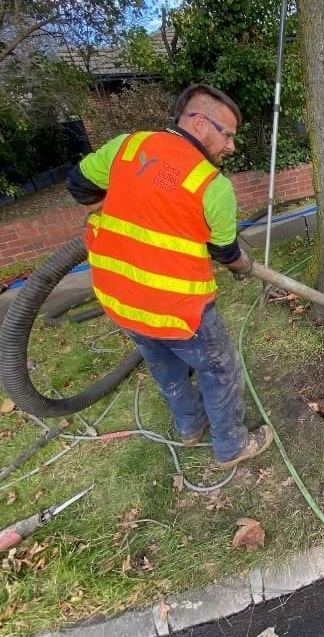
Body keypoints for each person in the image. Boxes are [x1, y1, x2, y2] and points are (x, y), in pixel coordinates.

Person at [66, 84, 273, 470]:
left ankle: (190, 426)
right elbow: (224, 251)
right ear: (198, 123)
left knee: (164, 365)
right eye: (227, 134)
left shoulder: (127, 147)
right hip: (180, 310)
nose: (231, 146)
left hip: (121, 299)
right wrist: (241, 265)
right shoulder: (211, 185)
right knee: (219, 368)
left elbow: (78, 186)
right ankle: (231, 445)